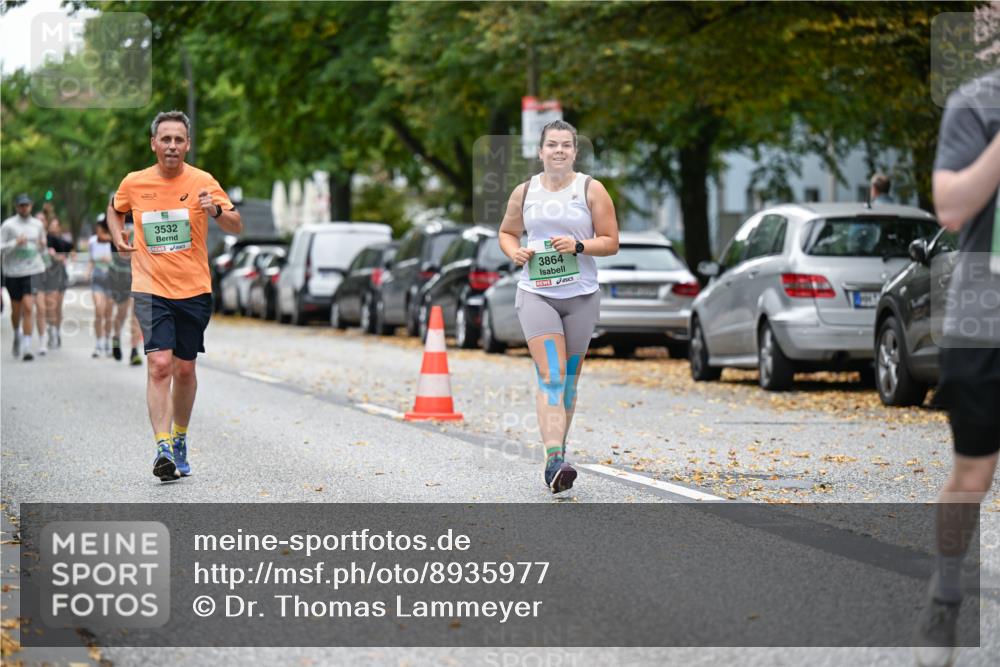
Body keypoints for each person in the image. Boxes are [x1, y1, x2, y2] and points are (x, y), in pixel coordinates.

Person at [911, 70, 1000, 667]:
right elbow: (950, 205)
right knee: (972, 476)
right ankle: (945, 596)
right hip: (986, 317)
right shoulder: (977, 103)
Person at [107, 110, 241, 481]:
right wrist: (117, 233)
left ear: (187, 144)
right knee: (160, 365)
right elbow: (115, 208)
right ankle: (162, 446)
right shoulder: (135, 182)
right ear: (153, 144)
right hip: (150, 287)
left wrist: (214, 210)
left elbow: (236, 223)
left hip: (194, 289)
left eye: (178, 139)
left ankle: (180, 437)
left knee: (184, 369)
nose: (171, 146)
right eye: (165, 139)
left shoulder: (203, 181)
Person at [497, 120, 619, 494]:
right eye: (552, 145)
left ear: (575, 152)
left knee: (568, 381)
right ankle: (553, 458)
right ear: (540, 151)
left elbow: (611, 242)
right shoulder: (524, 191)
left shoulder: (591, 189)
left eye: (566, 145)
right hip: (537, 294)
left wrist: (579, 246)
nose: (559, 151)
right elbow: (506, 232)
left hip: (581, 296)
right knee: (550, 375)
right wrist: (514, 251)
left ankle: (558, 455)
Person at [1, 193, 47, 361]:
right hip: (13, 272)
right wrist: (15, 243)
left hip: (33, 270)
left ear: (31, 206)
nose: (24, 208)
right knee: (16, 310)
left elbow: (42, 248)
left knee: (29, 307)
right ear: (16, 207)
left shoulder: (38, 225)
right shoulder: (8, 225)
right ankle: (16, 334)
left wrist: (42, 246)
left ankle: (27, 346)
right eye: (21, 205)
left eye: (26, 205)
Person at [108, 213, 142, 365]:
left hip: (139, 272)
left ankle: (134, 350)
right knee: (122, 311)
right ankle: (116, 337)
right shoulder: (117, 216)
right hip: (120, 272)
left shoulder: (143, 213)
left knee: (136, 312)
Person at [41, 207, 73, 348]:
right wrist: (52, 255)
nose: (53, 227)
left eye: (56, 225)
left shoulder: (62, 241)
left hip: (61, 274)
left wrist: (64, 257)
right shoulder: (45, 239)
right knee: (51, 305)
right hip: (49, 275)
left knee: (58, 306)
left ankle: (56, 331)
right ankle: (51, 330)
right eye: (51, 224)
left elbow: (71, 251)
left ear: (59, 227)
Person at [88, 218, 115, 358]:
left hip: (111, 279)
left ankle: (107, 342)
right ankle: (98, 343)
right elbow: (91, 259)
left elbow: (119, 259)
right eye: (99, 226)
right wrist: (88, 272)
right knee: (99, 311)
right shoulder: (92, 241)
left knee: (108, 314)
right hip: (97, 278)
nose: (101, 229)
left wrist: (110, 260)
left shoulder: (113, 240)